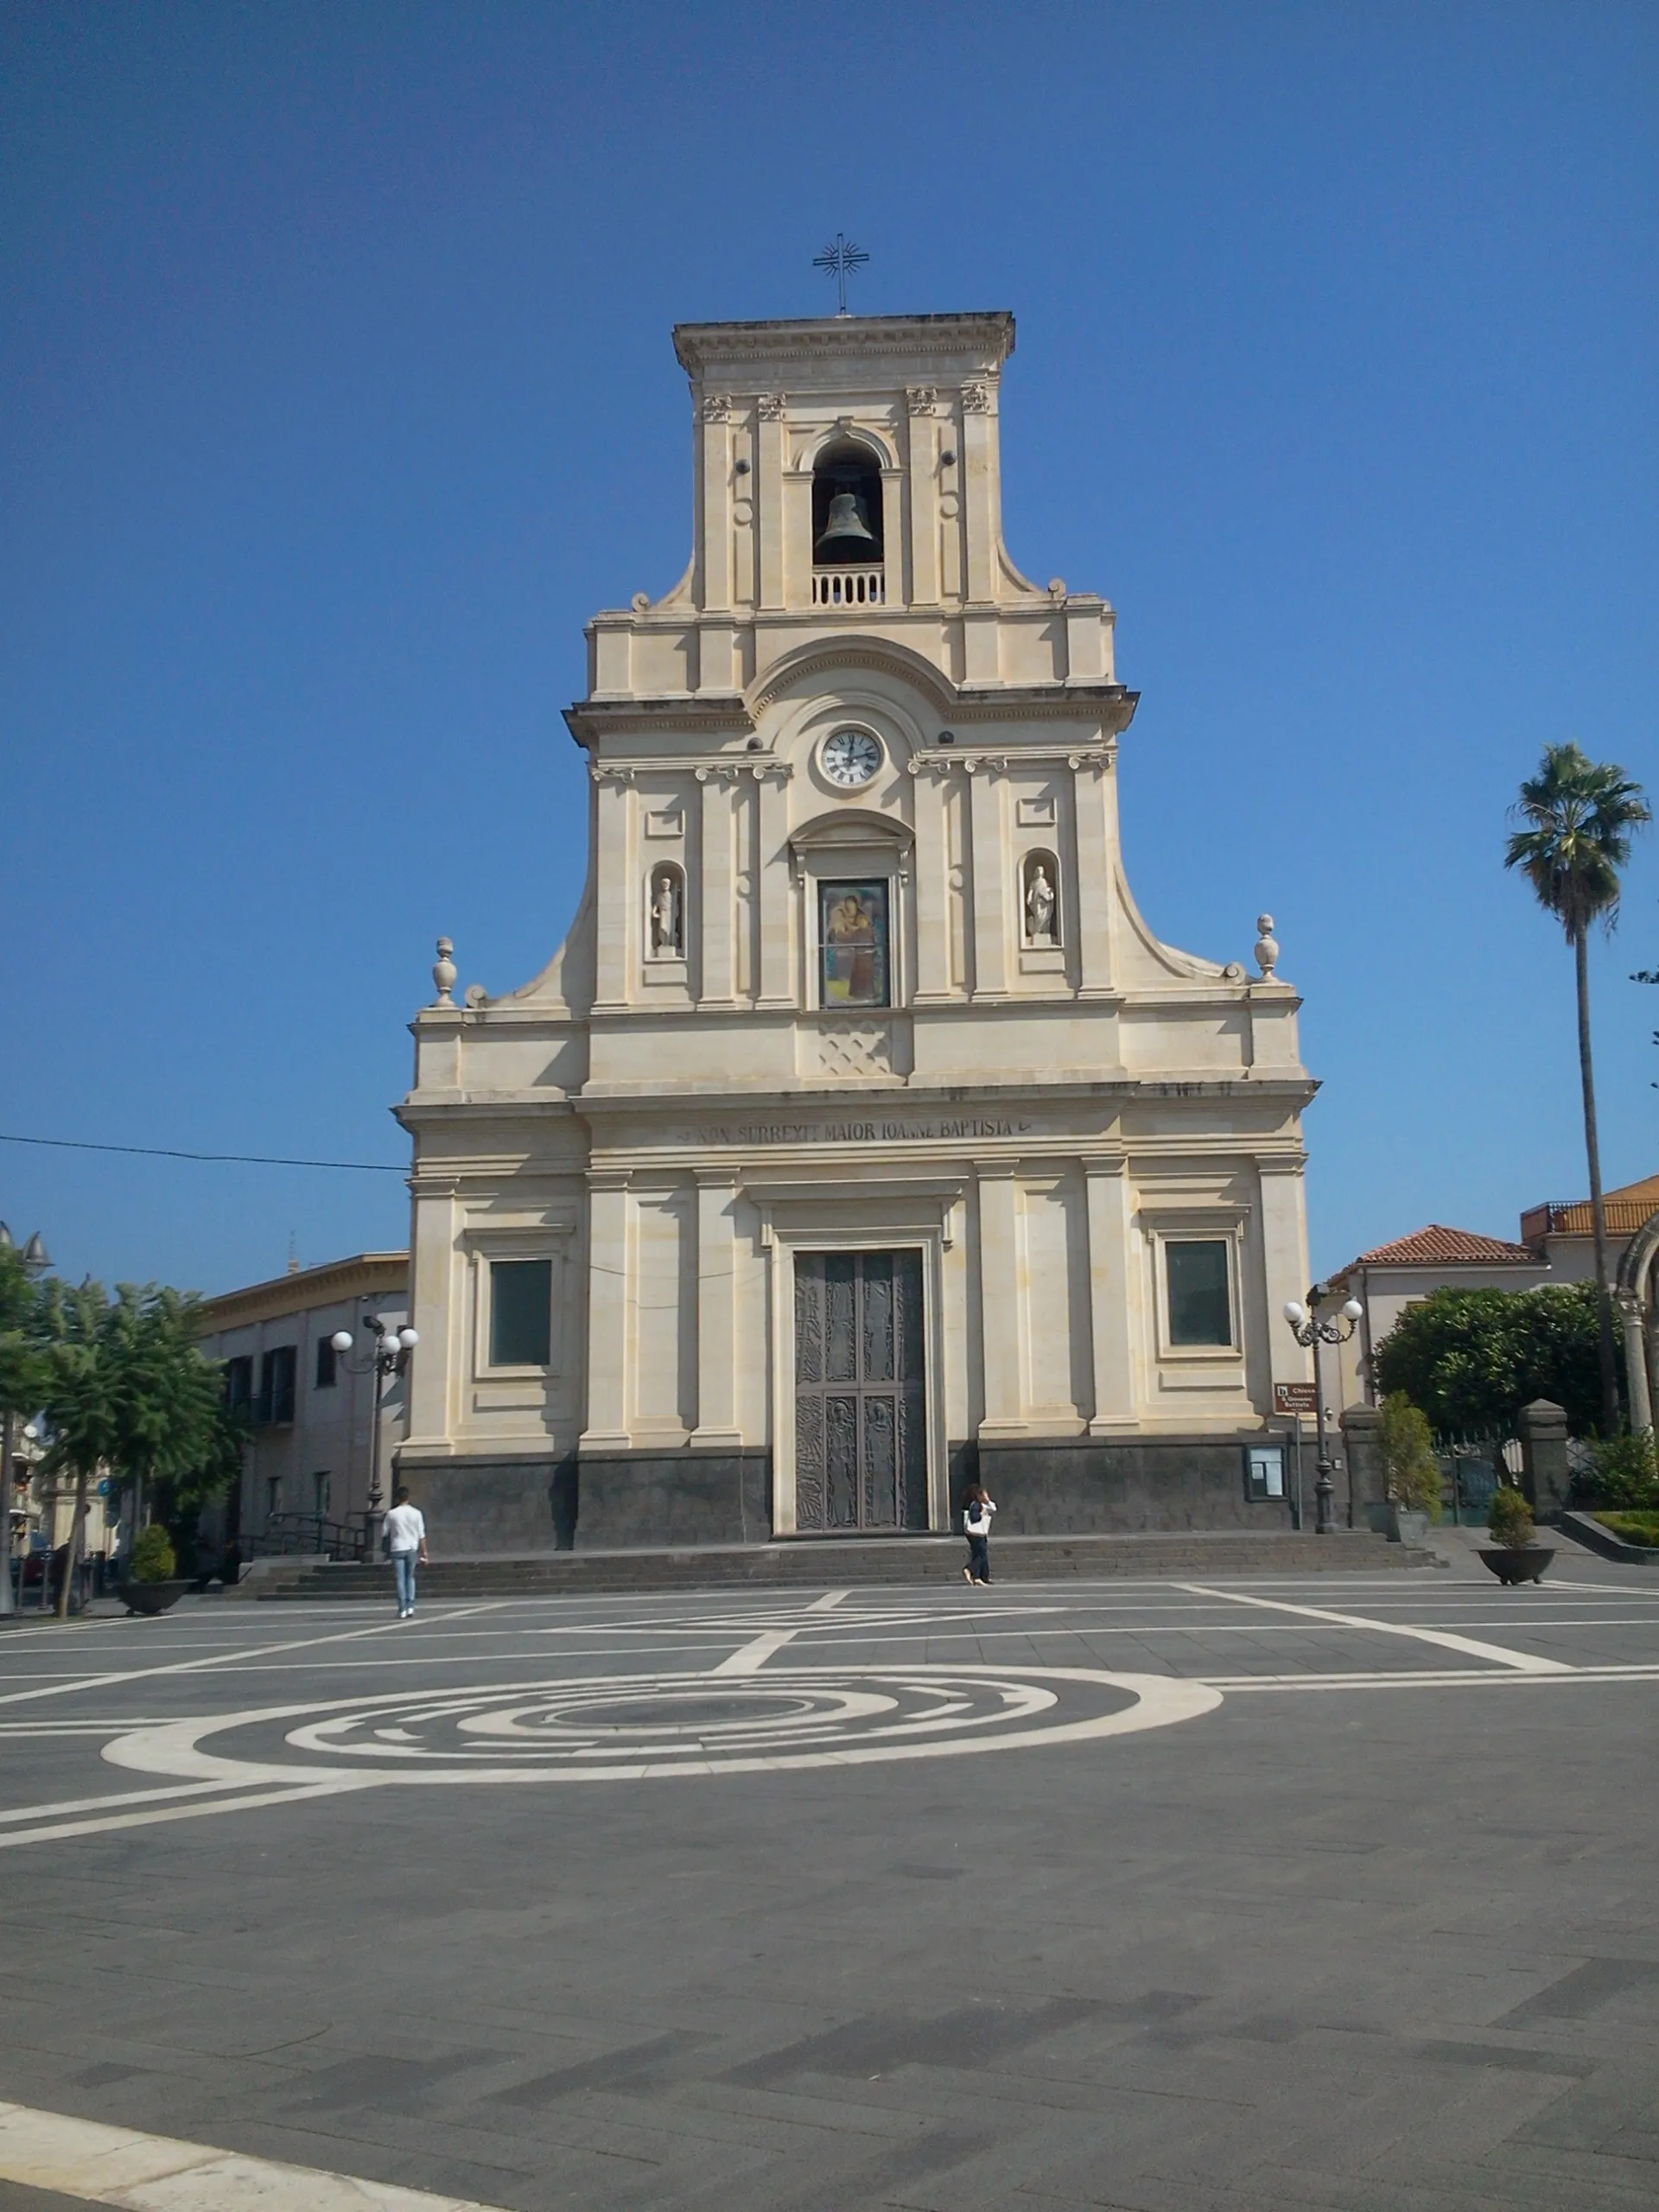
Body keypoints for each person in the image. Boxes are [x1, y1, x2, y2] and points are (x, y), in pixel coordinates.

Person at [383, 1486, 428, 1618]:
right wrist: (424, 1552)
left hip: (397, 1547)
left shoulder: (392, 1514)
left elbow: (383, 1532)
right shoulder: (417, 1513)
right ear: (408, 1498)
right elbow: (421, 1534)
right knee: (410, 1577)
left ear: (397, 1498)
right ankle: (411, 1607)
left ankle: (402, 1608)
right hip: (411, 1548)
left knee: (400, 1579)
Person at [962, 1485, 996, 1586]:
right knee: (981, 1554)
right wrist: (981, 1513)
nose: (986, 1496)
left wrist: (988, 1500)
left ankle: (979, 1577)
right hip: (977, 1535)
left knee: (980, 1555)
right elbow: (974, 1518)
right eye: (984, 1494)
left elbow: (993, 1508)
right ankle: (969, 1569)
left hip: (979, 1534)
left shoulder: (980, 1504)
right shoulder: (976, 1505)